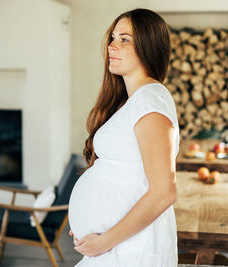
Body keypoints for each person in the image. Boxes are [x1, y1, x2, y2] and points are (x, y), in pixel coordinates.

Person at [67, 8, 180, 266]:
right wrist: (89, 227)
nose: (112, 46)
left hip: (128, 250)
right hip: (114, 248)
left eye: (124, 39)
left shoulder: (149, 101)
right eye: (113, 37)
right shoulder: (134, 101)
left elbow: (164, 192)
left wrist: (103, 240)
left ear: (148, 46)